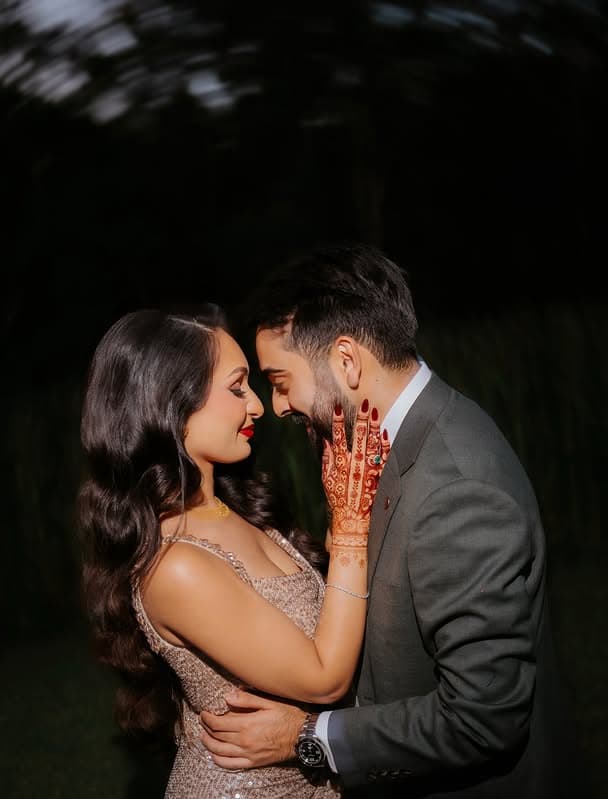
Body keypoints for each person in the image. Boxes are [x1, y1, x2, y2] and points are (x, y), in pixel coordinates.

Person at [199, 244, 578, 798]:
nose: (276, 406)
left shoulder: (454, 487)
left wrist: (308, 737)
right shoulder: (380, 446)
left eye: (280, 381)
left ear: (346, 362)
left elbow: (483, 717)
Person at [77, 303, 390, 798]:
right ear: (173, 402)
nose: (259, 406)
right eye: (237, 386)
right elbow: (324, 677)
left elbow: (329, 612)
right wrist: (350, 530)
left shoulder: (233, 510)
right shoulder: (175, 565)